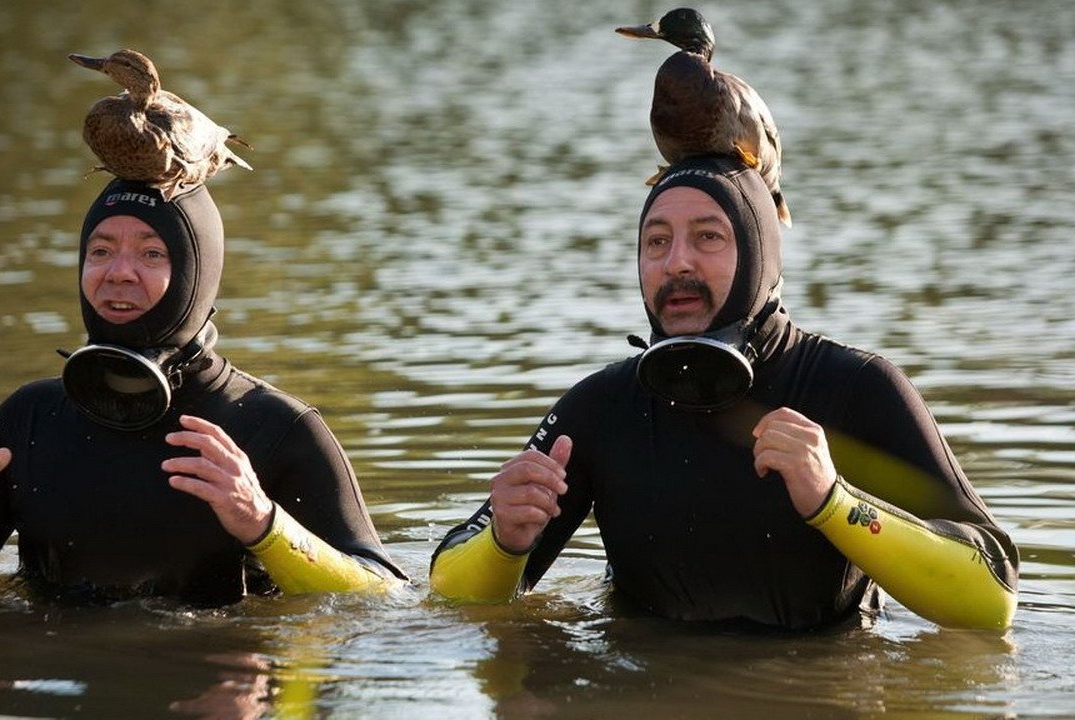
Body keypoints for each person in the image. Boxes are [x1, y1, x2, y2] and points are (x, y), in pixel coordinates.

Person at [429, 155, 1018, 631]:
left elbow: (991, 597)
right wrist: (504, 541)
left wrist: (833, 503)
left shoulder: (855, 389)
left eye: (708, 237)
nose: (676, 262)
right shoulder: (602, 406)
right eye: (656, 242)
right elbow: (448, 598)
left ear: (759, 257)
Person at [0, 178, 406, 604]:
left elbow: (383, 598)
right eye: (101, 251)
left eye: (152, 255)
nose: (119, 273)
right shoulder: (30, 419)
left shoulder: (275, 426)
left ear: (198, 275)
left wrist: (262, 524)